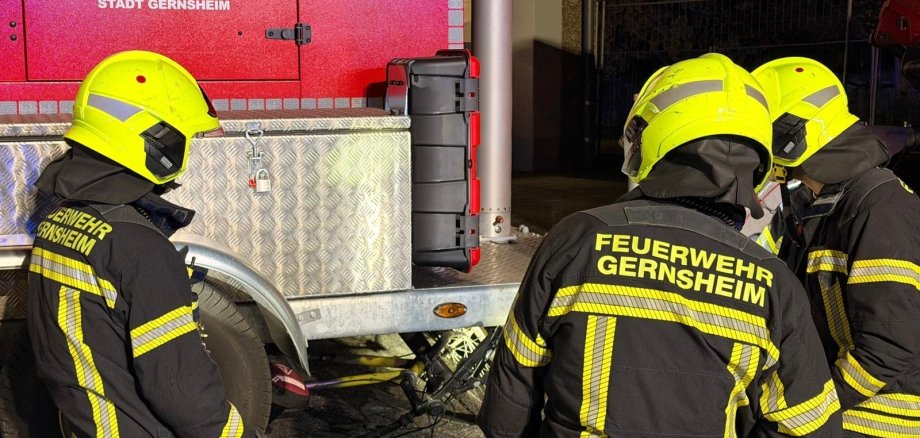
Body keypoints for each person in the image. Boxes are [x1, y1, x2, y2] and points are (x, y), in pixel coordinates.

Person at [477, 53, 841, 437]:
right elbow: (810, 426)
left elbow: (510, 399)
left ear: (655, 136)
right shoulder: (772, 282)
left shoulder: (577, 239)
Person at [27, 50, 254, 437]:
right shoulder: (139, 250)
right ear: (155, 140)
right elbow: (183, 394)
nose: (188, 148)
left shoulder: (58, 220)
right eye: (183, 136)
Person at [753, 57, 920, 437]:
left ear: (787, 134)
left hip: (877, 419)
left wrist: (813, 406)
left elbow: (888, 349)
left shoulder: (879, 208)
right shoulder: (821, 204)